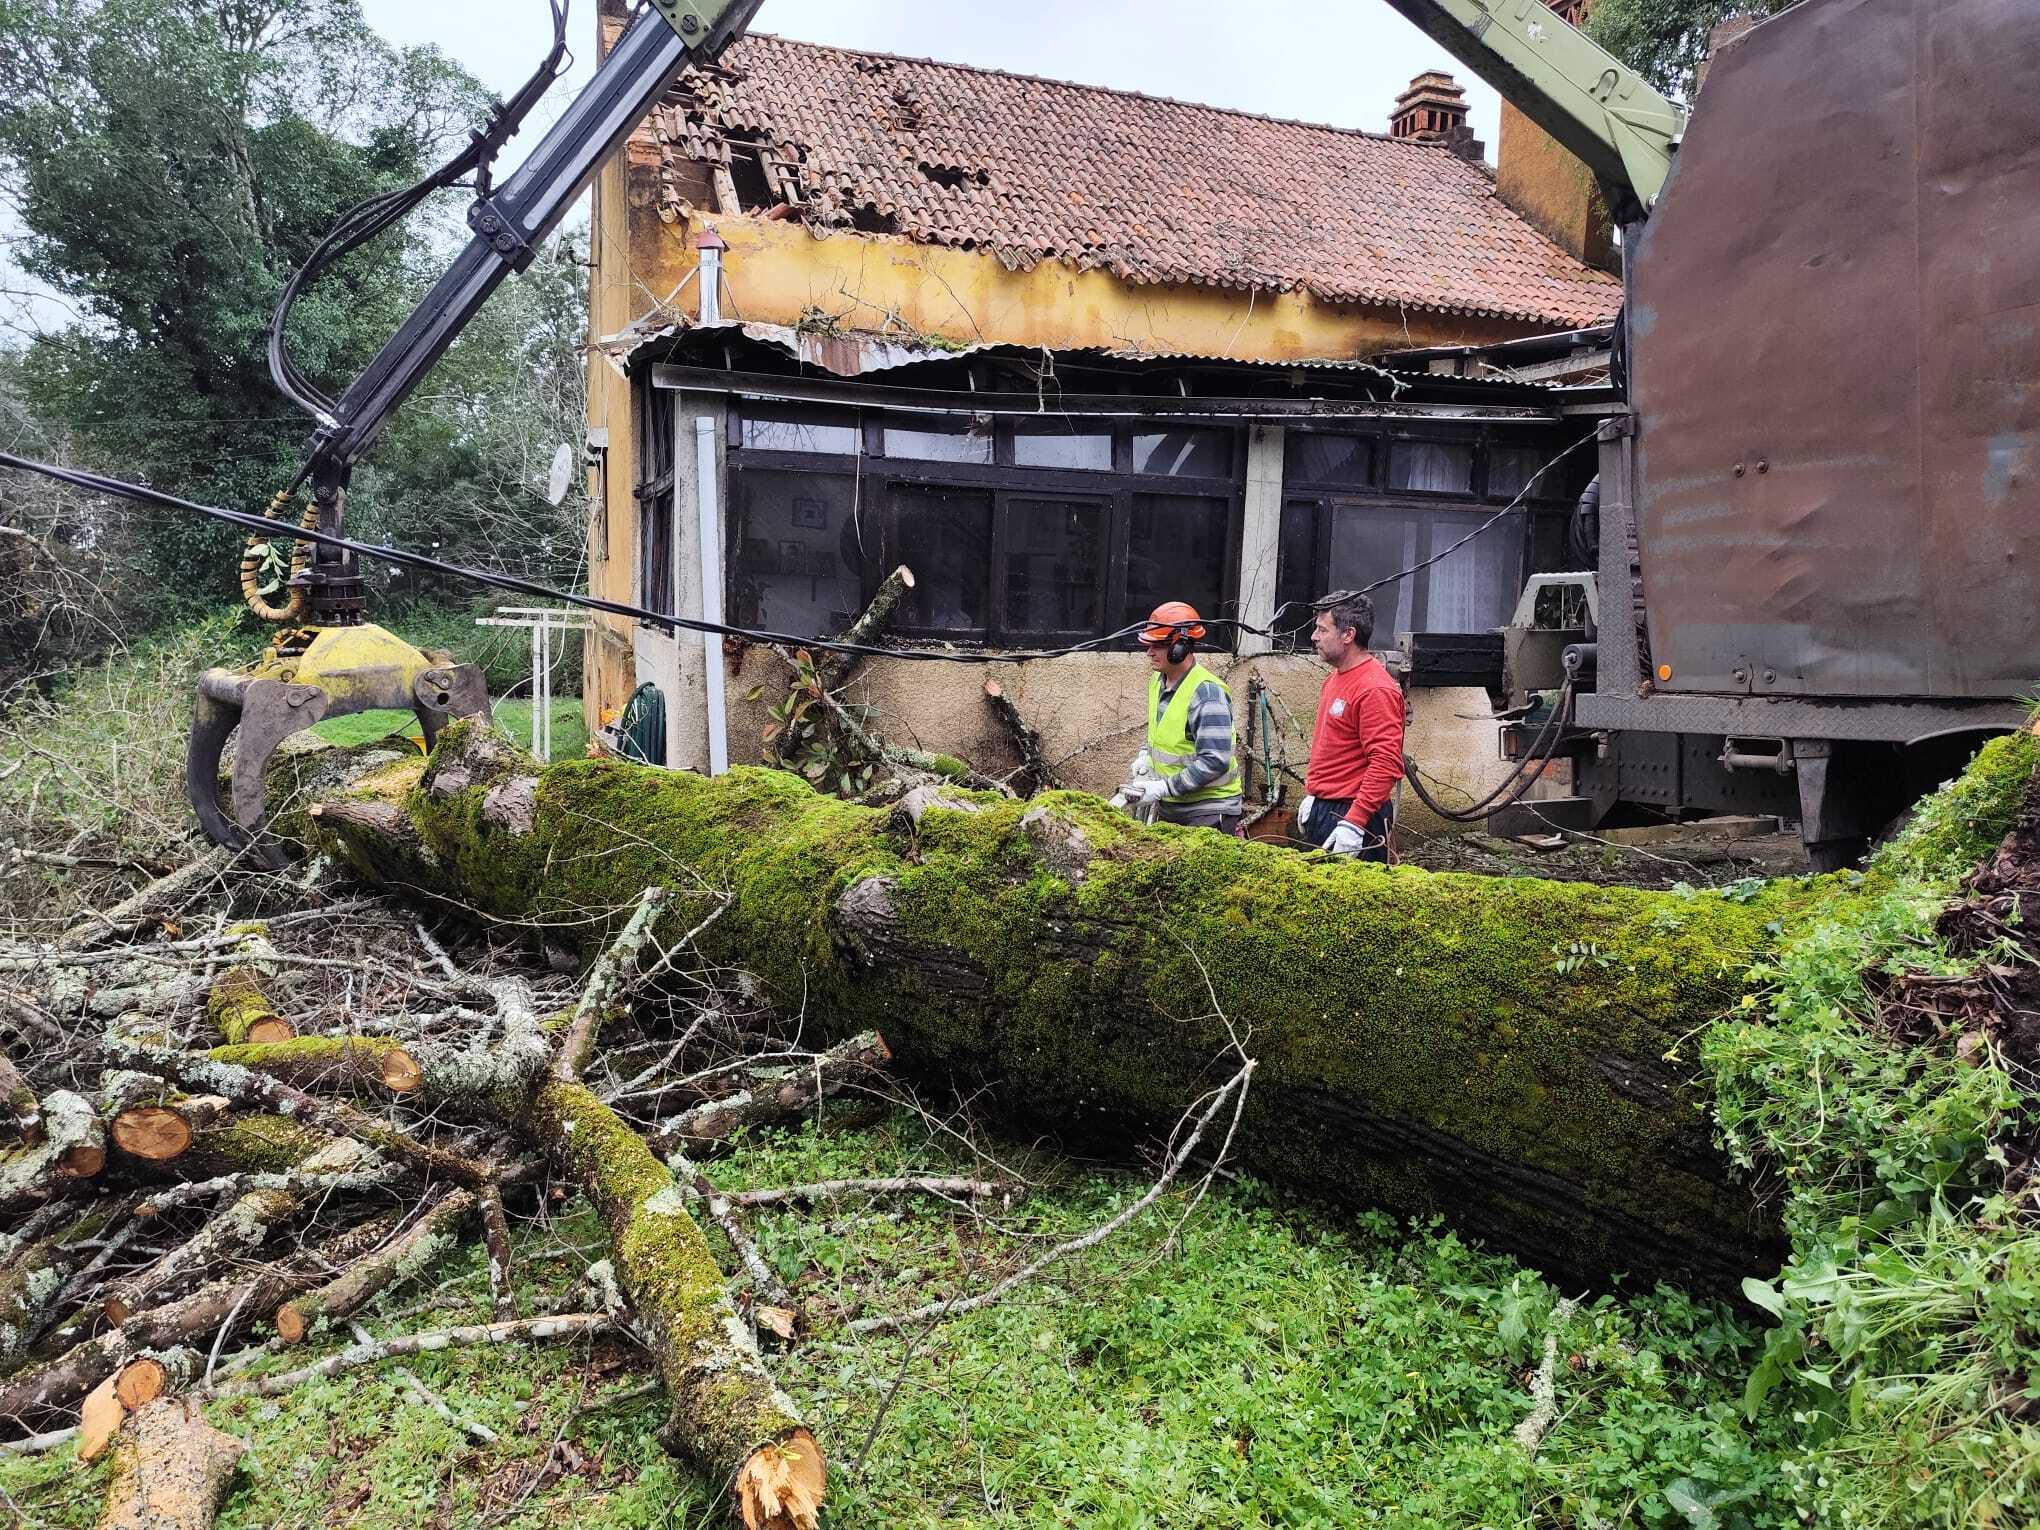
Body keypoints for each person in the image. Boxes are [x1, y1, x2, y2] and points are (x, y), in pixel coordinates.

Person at [1297, 591, 1405, 861]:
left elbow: (1385, 762)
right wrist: (1313, 794)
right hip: (1327, 809)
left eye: (1322, 629)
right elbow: (1332, 750)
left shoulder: (1374, 689)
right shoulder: (1335, 679)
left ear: (1348, 635)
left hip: (1355, 817)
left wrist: (1355, 821)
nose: (1314, 636)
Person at [1128, 601, 1243, 834]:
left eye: (1158, 645)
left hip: (1208, 812)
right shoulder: (1158, 682)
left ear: (1180, 648)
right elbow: (1161, 734)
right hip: (1174, 809)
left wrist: (1162, 788)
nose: (1149, 652)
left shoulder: (1206, 694)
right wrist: (1145, 756)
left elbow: (1214, 761)